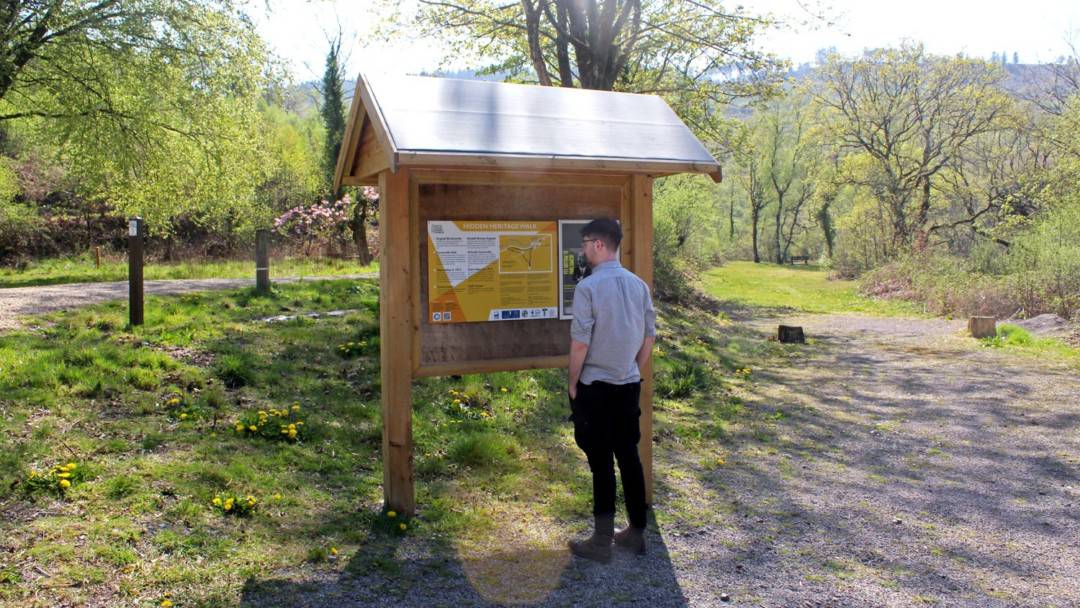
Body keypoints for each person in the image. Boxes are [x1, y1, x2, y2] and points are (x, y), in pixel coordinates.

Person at [567, 218, 656, 563]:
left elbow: (579, 345)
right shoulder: (638, 285)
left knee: (601, 464)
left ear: (600, 244)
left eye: (586, 242)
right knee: (629, 458)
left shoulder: (589, 288)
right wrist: (632, 366)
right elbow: (649, 337)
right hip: (628, 384)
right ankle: (636, 532)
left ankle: (601, 542)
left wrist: (573, 381)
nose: (584, 249)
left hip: (596, 387)